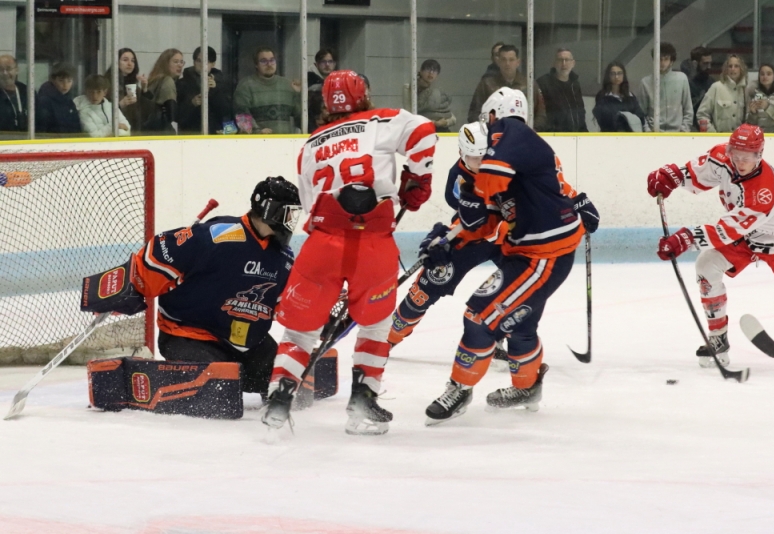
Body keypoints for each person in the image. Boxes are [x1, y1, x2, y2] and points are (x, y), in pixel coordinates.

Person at [262, 70, 437, 435]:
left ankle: (278, 403)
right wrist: (417, 179)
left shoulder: (310, 144)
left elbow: (311, 204)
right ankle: (362, 404)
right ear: (365, 94)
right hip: (373, 245)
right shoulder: (379, 120)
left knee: (298, 334)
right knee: (376, 325)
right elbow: (423, 132)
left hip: (322, 243)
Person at [424, 88, 599, 425]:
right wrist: (448, 239)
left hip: (545, 255)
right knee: (521, 324)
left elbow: (493, 184)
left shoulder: (514, 136)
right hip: (529, 251)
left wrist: (473, 198)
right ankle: (528, 386)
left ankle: (460, 387)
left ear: (494, 116)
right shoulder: (510, 155)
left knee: (479, 315)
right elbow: (487, 220)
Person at [124, 178, 301, 396]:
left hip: (244, 344)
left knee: (289, 381)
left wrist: (315, 313)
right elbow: (160, 252)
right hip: (189, 335)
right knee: (218, 393)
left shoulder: (283, 256)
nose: (292, 220)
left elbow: (284, 303)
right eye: (289, 213)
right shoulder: (218, 235)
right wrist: (130, 285)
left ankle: (230, 377)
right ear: (271, 210)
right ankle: (152, 381)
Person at [647, 124, 774, 368]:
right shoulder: (722, 157)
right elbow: (694, 175)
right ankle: (718, 340)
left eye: (747, 157)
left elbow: (725, 231)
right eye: (735, 154)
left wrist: (686, 238)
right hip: (746, 239)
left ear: (759, 155)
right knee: (707, 265)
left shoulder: (763, 192)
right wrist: (671, 176)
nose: (739, 162)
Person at [388, 122, 503, 351]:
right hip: (471, 238)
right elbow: (469, 218)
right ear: (461, 153)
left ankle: (494, 336)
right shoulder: (458, 176)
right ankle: (387, 338)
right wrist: (441, 236)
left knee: (517, 284)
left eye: (484, 157)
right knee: (428, 284)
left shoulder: (505, 165)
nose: (480, 164)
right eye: (474, 158)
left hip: (502, 238)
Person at [467, 44, 547, 131]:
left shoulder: (530, 85)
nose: (507, 64)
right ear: (499, 61)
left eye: (511, 60)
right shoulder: (486, 84)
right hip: (495, 137)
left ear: (518, 62)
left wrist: (531, 129)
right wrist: (488, 128)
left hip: (523, 136)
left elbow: (541, 114)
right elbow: (474, 113)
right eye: (504, 60)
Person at [233, 47, 301, 134]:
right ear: (256, 65)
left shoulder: (288, 85)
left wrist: (299, 95)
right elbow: (241, 114)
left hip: (286, 142)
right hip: (257, 143)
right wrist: (256, 132)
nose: (269, 64)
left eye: (272, 60)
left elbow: (301, 118)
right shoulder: (246, 86)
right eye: (263, 61)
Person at [176, 46, 233, 134]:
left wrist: (215, 90)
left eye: (206, 61)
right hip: (190, 133)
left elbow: (227, 111)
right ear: (194, 62)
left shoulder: (221, 83)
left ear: (213, 64)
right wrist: (191, 104)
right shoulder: (182, 84)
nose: (202, 64)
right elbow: (177, 116)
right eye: (199, 61)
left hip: (216, 133)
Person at [637, 42, 693, 132]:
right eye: (659, 59)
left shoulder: (682, 79)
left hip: (678, 133)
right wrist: (648, 131)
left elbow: (688, 109)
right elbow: (641, 112)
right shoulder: (645, 82)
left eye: (666, 59)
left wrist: (684, 129)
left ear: (671, 61)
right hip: (654, 133)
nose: (662, 63)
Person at [537, 48, 588, 132]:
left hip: (577, 137)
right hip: (554, 137)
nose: (564, 64)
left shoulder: (575, 84)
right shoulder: (543, 83)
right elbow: (540, 114)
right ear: (554, 63)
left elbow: (581, 113)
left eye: (567, 60)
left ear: (573, 63)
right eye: (560, 60)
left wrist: (584, 133)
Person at [105, 48, 153, 134]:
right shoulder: (108, 83)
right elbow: (102, 109)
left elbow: (148, 112)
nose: (130, 64)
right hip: (117, 132)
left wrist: (144, 90)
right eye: (125, 60)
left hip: (134, 131)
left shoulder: (133, 84)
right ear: (117, 62)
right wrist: (120, 104)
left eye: (133, 60)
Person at [696, 54, 747, 133]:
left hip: (739, 140)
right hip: (718, 138)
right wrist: (712, 133)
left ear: (742, 69)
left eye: (736, 66)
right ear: (725, 69)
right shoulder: (716, 87)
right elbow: (702, 114)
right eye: (730, 66)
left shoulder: (745, 90)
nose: (733, 69)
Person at [592, 61, 646, 132]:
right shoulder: (602, 97)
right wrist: (626, 116)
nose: (616, 77)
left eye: (619, 73)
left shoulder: (630, 96)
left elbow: (640, 117)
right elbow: (604, 119)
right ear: (608, 76)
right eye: (613, 74)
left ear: (624, 75)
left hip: (630, 137)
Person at [145, 48, 184, 133]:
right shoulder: (168, 81)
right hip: (162, 130)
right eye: (176, 62)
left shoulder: (155, 79)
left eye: (181, 62)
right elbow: (171, 113)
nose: (180, 65)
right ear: (166, 64)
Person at [36, 63, 81, 135]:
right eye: (61, 80)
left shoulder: (69, 101)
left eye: (69, 81)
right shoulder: (44, 101)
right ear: (53, 80)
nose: (65, 85)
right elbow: (41, 130)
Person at [414, 59, 456, 133]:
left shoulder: (439, 90)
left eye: (434, 71)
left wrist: (444, 122)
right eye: (428, 69)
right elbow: (410, 112)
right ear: (421, 71)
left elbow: (453, 118)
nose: (431, 73)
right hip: (421, 129)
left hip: (441, 130)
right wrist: (431, 122)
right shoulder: (412, 88)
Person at [680, 46, 715, 129]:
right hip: (686, 128)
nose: (709, 67)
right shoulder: (683, 81)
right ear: (695, 63)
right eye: (705, 63)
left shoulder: (711, 82)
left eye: (710, 63)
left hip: (705, 127)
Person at [307, 48, 337, 130]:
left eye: (330, 61)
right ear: (316, 64)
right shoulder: (308, 80)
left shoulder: (339, 82)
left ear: (334, 64)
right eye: (323, 62)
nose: (327, 65)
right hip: (312, 127)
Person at [0, 55, 28, 133]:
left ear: (17, 70)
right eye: (0, 69)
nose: (4, 73)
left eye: (8, 69)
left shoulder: (27, 91)